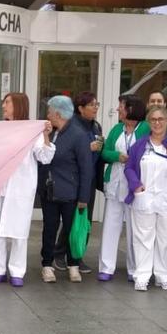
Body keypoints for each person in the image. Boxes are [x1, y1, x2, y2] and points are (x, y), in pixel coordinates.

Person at [0, 93, 54, 286]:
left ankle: (17, 271)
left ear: (18, 105)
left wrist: (46, 135)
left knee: (19, 231)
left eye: (7, 103)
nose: (3, 106)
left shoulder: (32, 131)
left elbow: (44, 157)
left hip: (20, 188)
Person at [124, 105, 167, 291]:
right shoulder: (139, 146)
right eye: (153, 119)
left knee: (165, 239)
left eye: (160, 119)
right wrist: (136, 185)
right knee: (142, 238)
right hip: (144, 198)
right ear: (148, 122)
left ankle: (163, 274)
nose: (157, 123)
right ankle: (142, 275)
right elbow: (129, 167)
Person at [38, 95, 93, 283]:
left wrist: (84, 197)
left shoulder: (78, 135)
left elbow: (86, 169)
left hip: (71, 192)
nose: (47, 115)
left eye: (49, 111)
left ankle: (73, 265)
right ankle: (46, 264)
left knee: (72, 229)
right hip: (49, 191)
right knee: (49, 228)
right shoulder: (50, 132)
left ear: (58, 113)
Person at [53, 92, 102, 272]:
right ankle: (60, 253)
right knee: (70, 218)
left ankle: (77, 255)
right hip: (72, 179)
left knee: (84, 220)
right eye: (92, 105)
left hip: (89, 178)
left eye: (97, 104)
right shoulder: (72, 125)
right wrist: (87, 148)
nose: (95, 108)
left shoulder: (96, 126)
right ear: (80, 109)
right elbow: (64, 151)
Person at [97, 95, 145, 281]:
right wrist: (117, 155)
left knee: (135, 228)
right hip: (115, 182)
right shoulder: (117, 128)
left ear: (132, 109)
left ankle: (134, 269)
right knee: (110, 225)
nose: (118, 109)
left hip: (135, 185)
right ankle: (106, 267)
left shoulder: (146, 128)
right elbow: (105, 152)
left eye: (121, 106)